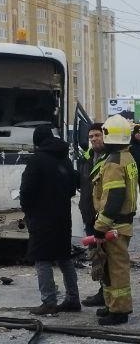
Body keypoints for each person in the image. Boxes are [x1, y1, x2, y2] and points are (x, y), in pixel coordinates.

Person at [20, 123, 80, 315]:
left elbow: (27, 191)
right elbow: (72, 186)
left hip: (41, 217)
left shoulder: (36, 160)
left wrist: (28, 210)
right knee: (64, 257)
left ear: (36, 141)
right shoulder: (64, 157)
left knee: (42, 258)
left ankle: (49, 302)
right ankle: (73, 299)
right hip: (62, 215)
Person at [91, 113, 137, 326]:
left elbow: (114, 196)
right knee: (109, 268)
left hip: (114, 225)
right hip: (120, 223)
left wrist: (101, 226)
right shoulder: (127, 156)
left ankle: (119, 311)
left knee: (116, 270)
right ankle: (112, 304)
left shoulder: (114, 162)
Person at [77, 124, 107, 307]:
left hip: (104, 217)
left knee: (107, 258)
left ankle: (107, 295)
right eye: (91, 136)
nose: (94, 139)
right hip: (89, 214)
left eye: (97, 135)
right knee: (96, 257)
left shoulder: (111, 157)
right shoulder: (88, 157)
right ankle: (102, 292)